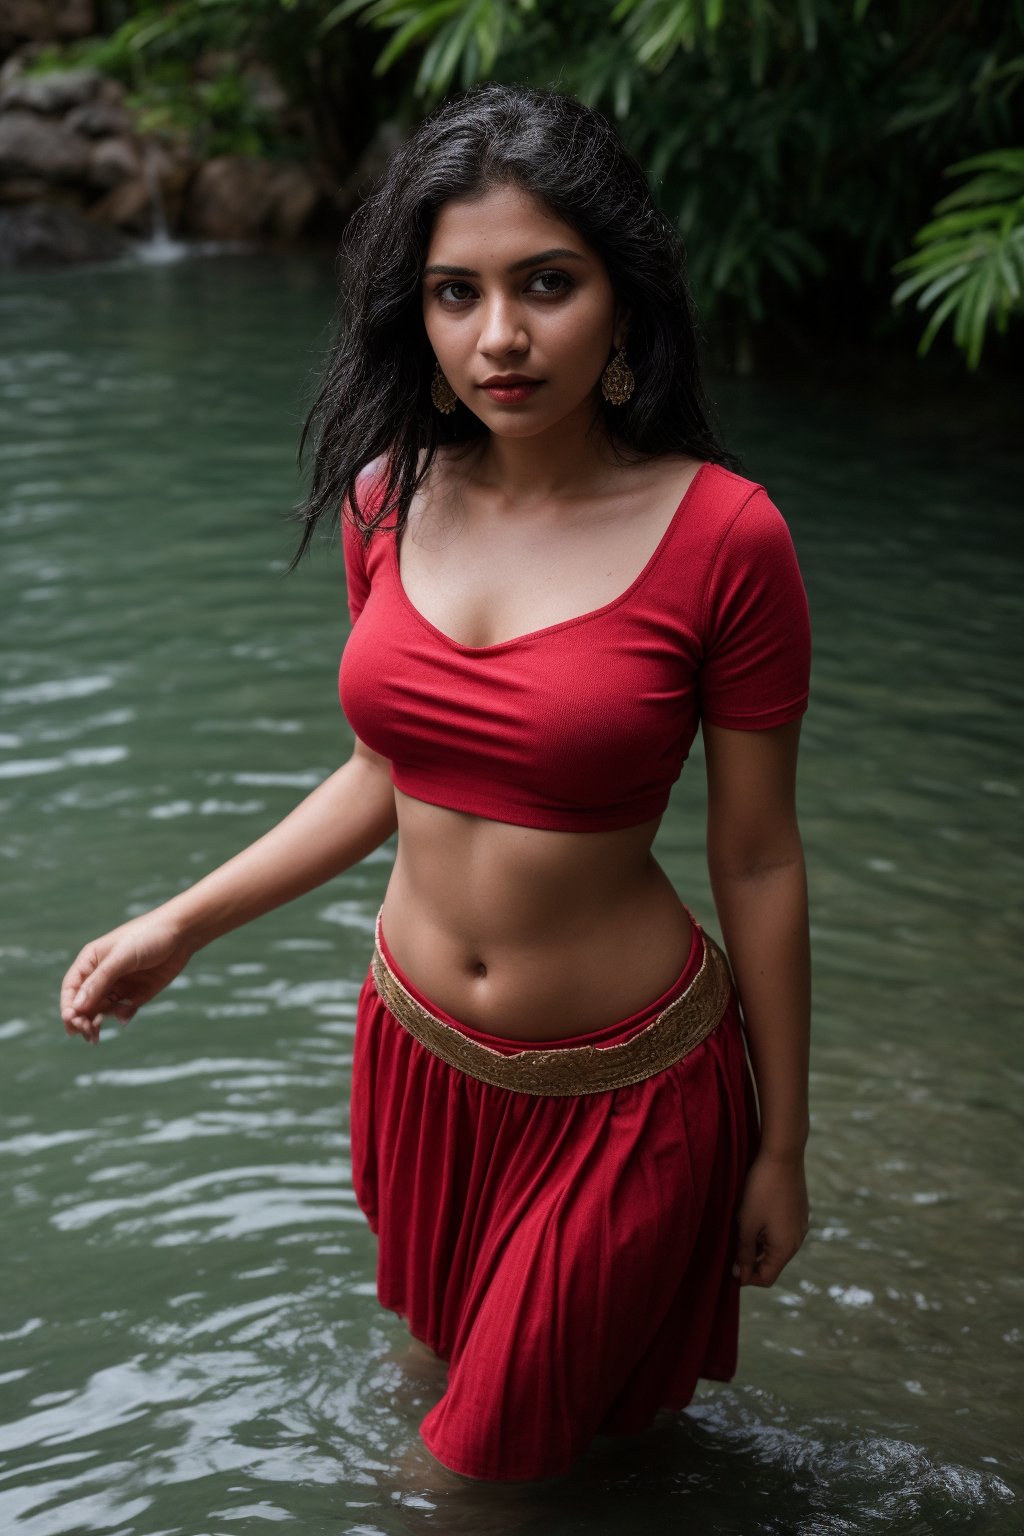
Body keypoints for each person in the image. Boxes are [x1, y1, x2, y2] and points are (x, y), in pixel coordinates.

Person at [60, 82, 812, 1486]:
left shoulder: (726, 538)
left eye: (546, 285)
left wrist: (782, 1143)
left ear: (624, 297)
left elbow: (759, 859)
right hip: (417, 1060)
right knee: (481, 1390)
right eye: (454, 294)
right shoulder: (386, 496)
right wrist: (181, 923)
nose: (500, 338)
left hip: (628, 1099)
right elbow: (385, 776)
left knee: (460, 1479)